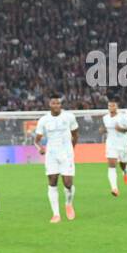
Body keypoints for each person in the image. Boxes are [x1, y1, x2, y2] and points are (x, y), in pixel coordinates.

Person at [34, 94, 78, 223]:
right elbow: (36, 140)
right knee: (52, 182)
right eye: (54, 103)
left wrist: (71, 149)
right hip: (51, 155)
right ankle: (56, 214)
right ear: (49, 104)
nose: (56, 105)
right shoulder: (44, 120)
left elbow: (75, 135)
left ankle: (68, 204)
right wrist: (40, 148)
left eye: (58, 103)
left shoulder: (69, 117)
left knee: (68, 184)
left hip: (66, 154)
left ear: (61, 104)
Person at [102, 100, 127, 197]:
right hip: (111, 145)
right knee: (111, 166)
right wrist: (102, 130)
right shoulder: (105, 118)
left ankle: (125, 171)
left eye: (113, 106)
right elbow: (106, 129)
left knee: (123, 164)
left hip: (123, 145)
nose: (111, 107)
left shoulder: (123, 117)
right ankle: (114, 188)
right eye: (109, 106)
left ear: (117, 107)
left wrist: (122, 129)